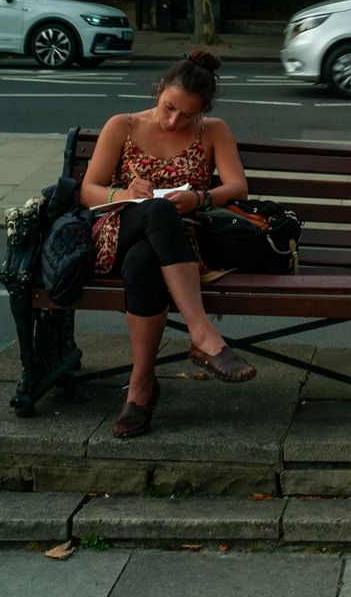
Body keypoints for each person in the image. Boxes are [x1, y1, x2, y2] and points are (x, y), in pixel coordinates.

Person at [80, 49, 254, 439]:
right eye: (169, 107)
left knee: (144, 262)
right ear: (158, 90)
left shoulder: (215, 131)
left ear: (203, 111)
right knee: (156, 212)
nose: (174, 120)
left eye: (187, 115)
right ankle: (202, 333)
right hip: (119, 229)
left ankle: (141, 389)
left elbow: (237, 186)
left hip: (178, 240)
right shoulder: (121, 125)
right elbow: (88, 191)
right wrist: (123, 192)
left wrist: (199, 199)